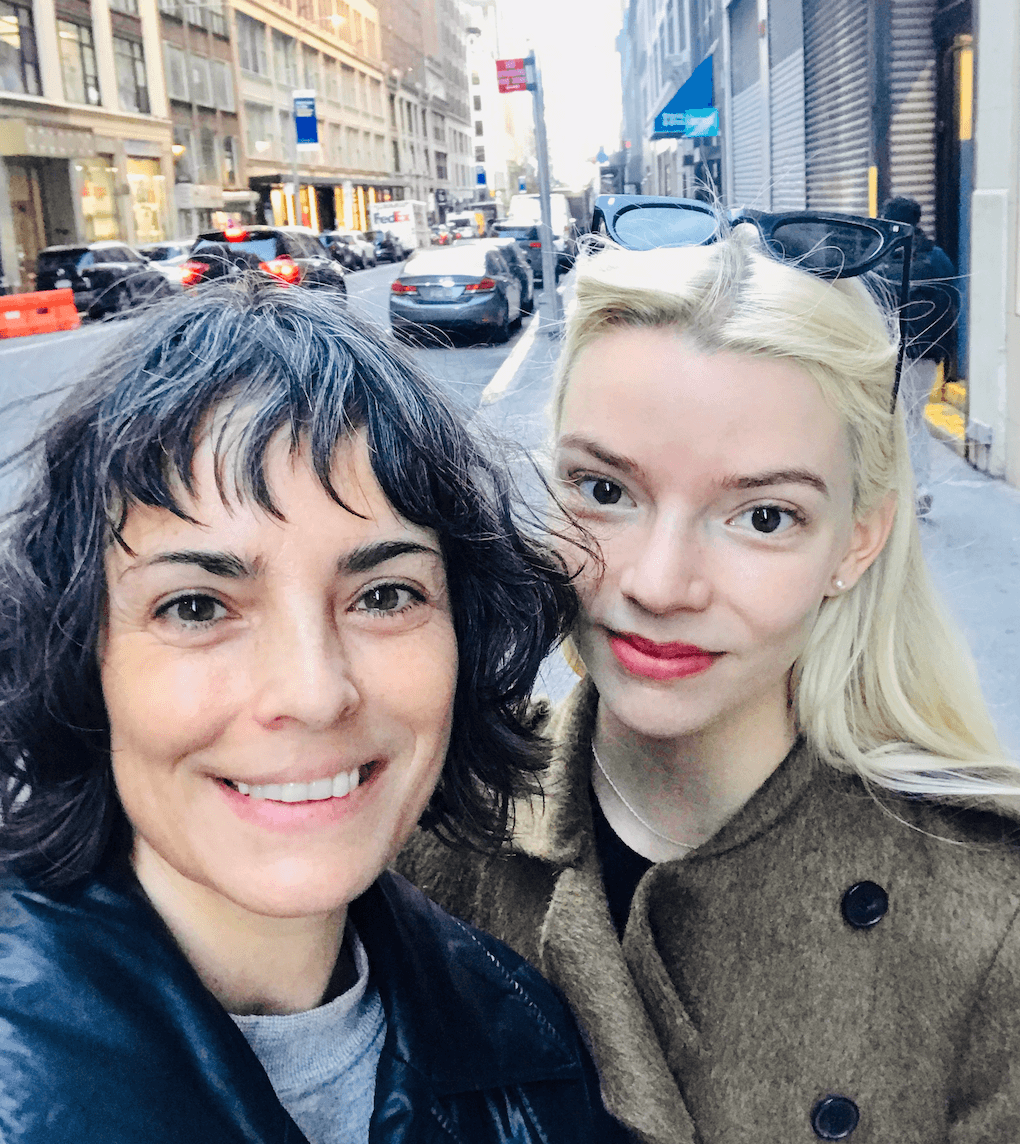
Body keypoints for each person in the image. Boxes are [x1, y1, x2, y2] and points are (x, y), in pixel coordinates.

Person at [399, 221, 1020, 1143]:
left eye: (762, 515)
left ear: (858, 540)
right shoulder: (430, 818)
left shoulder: (987, 919)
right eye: (606, 492)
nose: (659, 583)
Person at [0, 279, 626, 1143]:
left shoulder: (528, 1049)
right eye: (196, 607)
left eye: (384, 595)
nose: (312, 690)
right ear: (79, 657)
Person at [879, 195, 958, 516]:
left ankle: (904, 487)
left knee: (897, 422)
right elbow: (954, 301)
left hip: (893, 354)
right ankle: (918, 486)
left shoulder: (884, 257)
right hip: (929, 355)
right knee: (913, 419)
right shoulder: (938, 257)